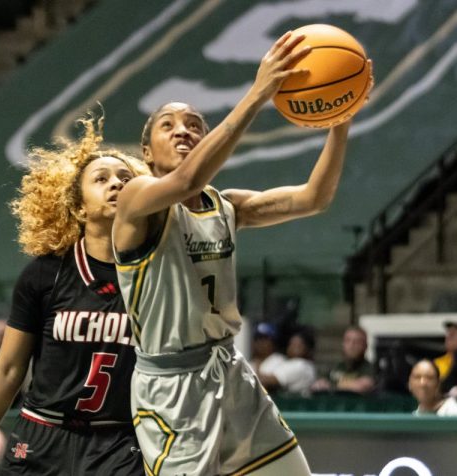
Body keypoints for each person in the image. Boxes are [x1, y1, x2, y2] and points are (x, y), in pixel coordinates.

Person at [113, 31, 359, 475]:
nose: (184, 130)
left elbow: (313, 198)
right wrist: (260, 91)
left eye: (193, 124)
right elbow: (187, 180)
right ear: (146, 153)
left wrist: (340, 117)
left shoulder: (225, 204)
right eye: (168, 125)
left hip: (229, 369)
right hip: (172, 387)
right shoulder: (135, 200)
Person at [0, 116, 148, 476]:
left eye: (125, 179)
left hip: (118, 442)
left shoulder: (154, 274)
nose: (116, 183)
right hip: (42, 435)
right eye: (101, 179)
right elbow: (7, 370)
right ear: (80, 208)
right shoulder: (45, 274)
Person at [313, 325, 376, 394]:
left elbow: (360, 387)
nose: (351, 345)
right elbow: (318, 385)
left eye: (357, 342)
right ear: (343, 344)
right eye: (348, 341)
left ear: (365, 346)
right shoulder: (335, 366)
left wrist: (331, 385)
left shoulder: (371, 368)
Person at [267, 330, 318, 396]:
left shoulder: (301, 365)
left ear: (308, 349)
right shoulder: (305, 366)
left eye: (298, 346)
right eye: (291, 344)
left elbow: (268, 381)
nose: (292, 348)